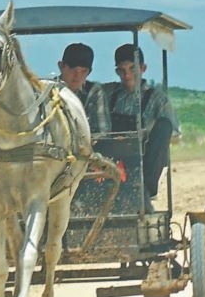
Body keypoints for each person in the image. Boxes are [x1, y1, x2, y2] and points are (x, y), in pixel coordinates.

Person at [106, 43, 181, 211]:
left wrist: (146, 134)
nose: (127, 75)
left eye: (132, 69)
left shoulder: (157, 99)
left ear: (143, 68)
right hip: (112, 159)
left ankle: (142, 192)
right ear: (117, 72)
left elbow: (175, 134)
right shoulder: (108, 94)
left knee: (164, 126)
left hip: (145, 161)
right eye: (122, 70)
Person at [55, 43, 110, 133]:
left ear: (89, 72)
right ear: (61, 66)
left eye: (83, 71)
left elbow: (102, 133)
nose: (77, 75)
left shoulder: (94, 92)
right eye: (73, 69)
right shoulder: (47, 91)